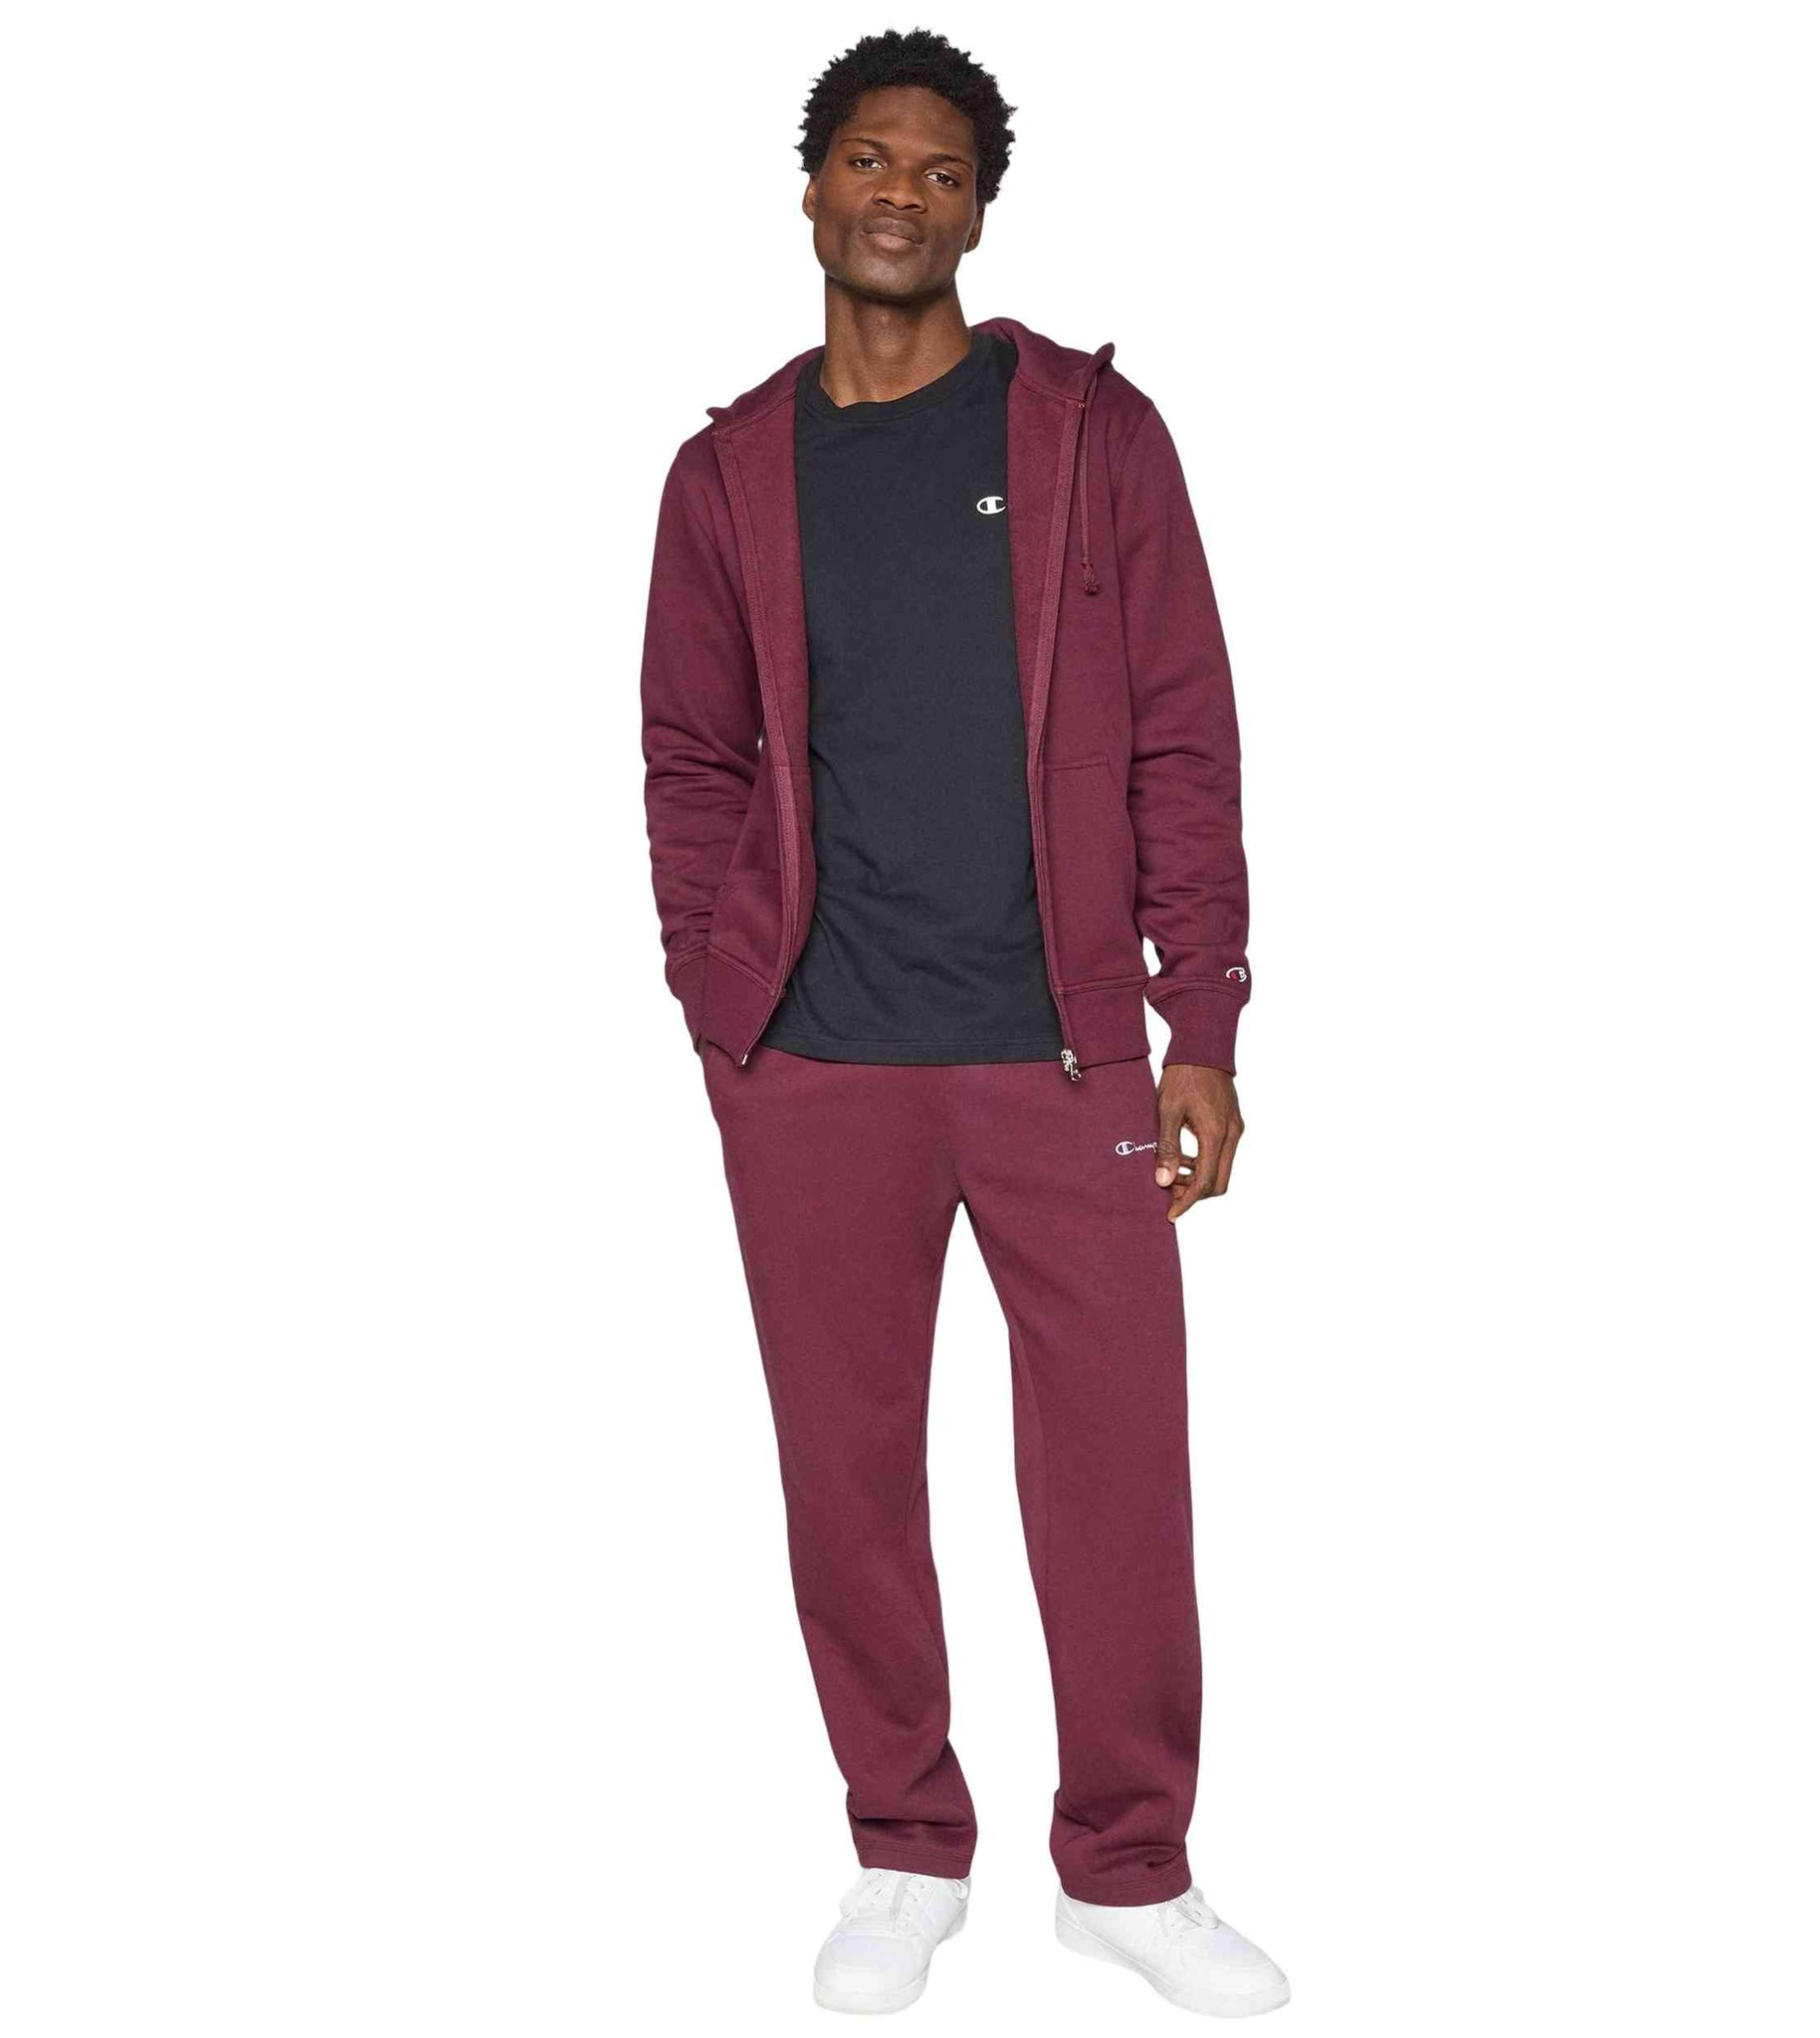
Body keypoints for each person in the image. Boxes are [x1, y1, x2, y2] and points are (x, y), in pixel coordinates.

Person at [639, 29, 1286, 2019]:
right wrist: (717, 1002)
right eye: (868, 158)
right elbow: (690, 754)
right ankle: (903, 1845)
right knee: (847, 1475)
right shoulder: (727, 472)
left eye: (939, 168)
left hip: (1061, 1051)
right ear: (811, 188)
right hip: (815, 1059)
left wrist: (1201, 1018)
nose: (900, 193)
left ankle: (1128, 1867)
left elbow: (1183, 734)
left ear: (979, 210)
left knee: (1117, 1473)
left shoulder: (1094, 436)